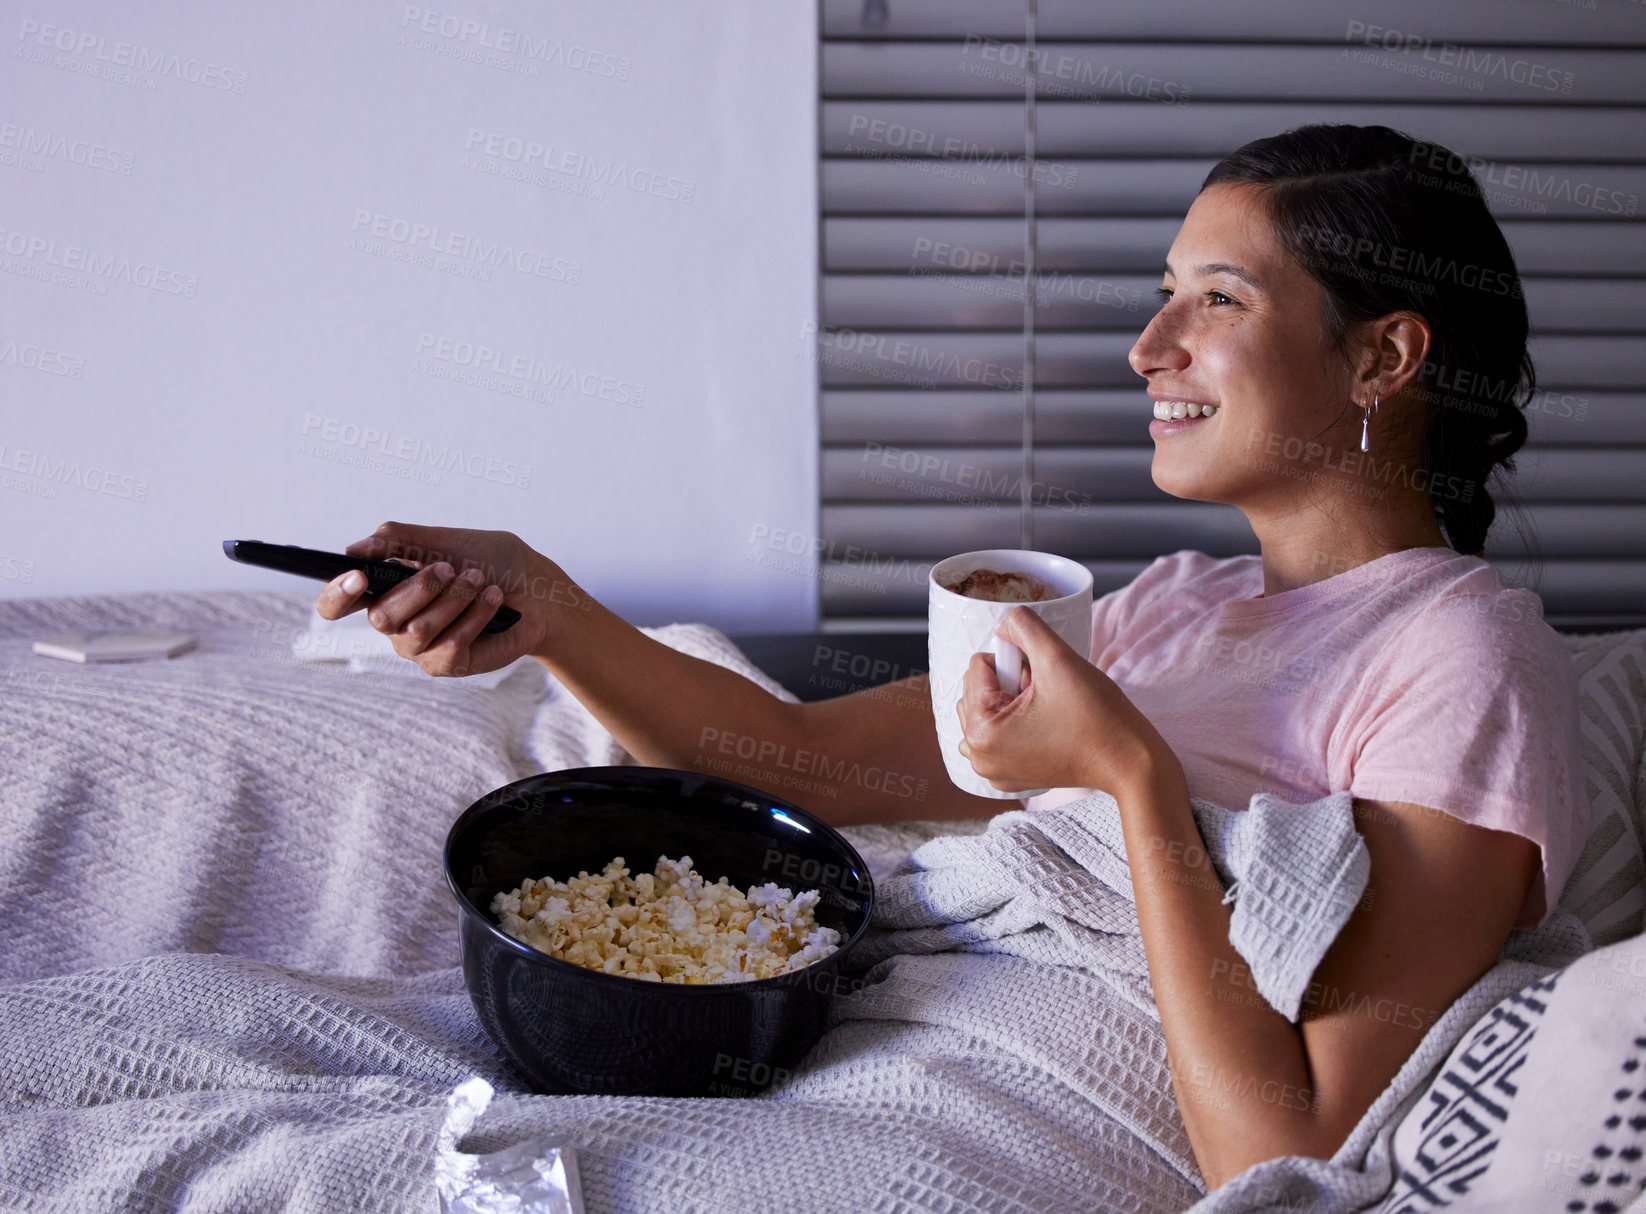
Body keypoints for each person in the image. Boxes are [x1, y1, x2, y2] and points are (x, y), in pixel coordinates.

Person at [313, 124, 1586, 1190]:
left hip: (1003, 1126)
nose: (1149, 349)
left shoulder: (1458, 657)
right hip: (881, 1046)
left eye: (1218, 297)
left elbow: (1283, 1146)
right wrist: (543, 604)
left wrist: (1127, 780)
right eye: (1164, 291)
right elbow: (798, 765)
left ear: (1382, 355)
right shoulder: (1167, 609)